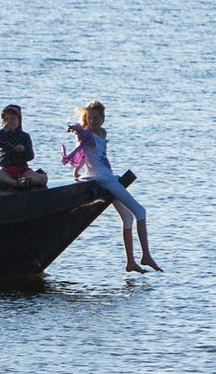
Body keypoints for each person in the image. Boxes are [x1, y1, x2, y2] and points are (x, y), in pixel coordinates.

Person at [66, 100, 160, 272]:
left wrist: (77, 171)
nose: (92, 121)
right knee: (140, 211)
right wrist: (75, 128)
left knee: (128, 218)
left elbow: (89, 154)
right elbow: (82, 137)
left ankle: (130, 262)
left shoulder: (102, 132)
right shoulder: (87, 133)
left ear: (103, 119)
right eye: (89, 118)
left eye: (96, 118)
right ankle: (146, 255)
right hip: (103, 179)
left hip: (107, 176)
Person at [0, 104, 45, 189]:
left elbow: (31, 156)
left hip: (23, 170)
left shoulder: (25, 136)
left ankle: (23, 180)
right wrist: (3, 131)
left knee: (42, 180)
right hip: (6, 170)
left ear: (19, 120)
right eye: (6, 119)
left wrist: (23, 149)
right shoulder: (2, 134)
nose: (10, 121)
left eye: (13, 118)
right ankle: (14, 183)